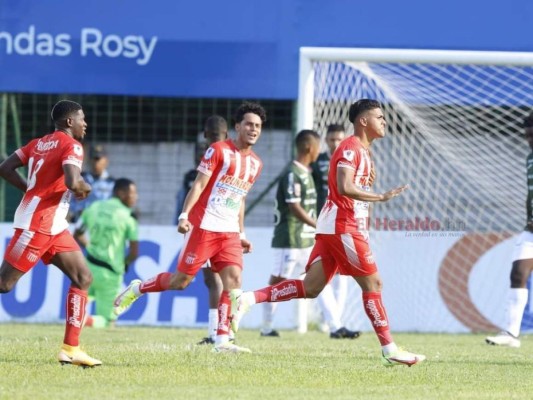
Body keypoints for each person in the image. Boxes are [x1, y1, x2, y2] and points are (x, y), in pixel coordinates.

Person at [230, 99, 426, 367]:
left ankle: (247, 298)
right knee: (374, 284)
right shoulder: (350, 147)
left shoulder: (365, 152)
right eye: (379, 117)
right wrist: (379, 196)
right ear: (363, 121)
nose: (384, 121)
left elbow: (352, 190)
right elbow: (344, 187)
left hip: (340, 225)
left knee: (311, 288)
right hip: (342, 225)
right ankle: (389, 349)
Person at [113, 102, 267, 353]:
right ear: (237, 127)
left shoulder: (256, 164)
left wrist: (241, 233)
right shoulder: (218, 150)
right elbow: (197, 185)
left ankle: (222, 341)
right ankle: (138, 288)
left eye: (258, 126)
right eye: (249, 124)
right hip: (204, 226)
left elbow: (240, 198)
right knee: (181, 281)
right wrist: (184, 215)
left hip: (228, 232)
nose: (253, 129)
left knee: (234, 281)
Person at [0, 100, 101, 367]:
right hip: (38, 225)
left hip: (54, 226)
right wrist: (85, 186)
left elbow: (5, 168)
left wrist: (29, 190)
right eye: (82, 119)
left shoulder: (37, 143)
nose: (85, 124)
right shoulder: (72, 146)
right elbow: (71, 180)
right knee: (4, 284)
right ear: (70, 122)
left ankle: (71, 349)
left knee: (83, 277)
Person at [261, 129, 360, 340]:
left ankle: (336, 327)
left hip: (306, 239)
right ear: (309, 147)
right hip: (289, 238)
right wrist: (319, 224)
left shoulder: (307, 172)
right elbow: (294, 206)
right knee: (278, 282)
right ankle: (265, 325)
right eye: (317, 147)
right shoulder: (292, 173)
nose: (319, 152)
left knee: (319, 279)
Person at [175, 115, 230, 345]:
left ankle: (215, 332)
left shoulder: (209, 161)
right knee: (222, 278)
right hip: (225, 225)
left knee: (206, 279)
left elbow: (194, 191)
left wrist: (183, 216)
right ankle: (223, 330)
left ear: (205, 135)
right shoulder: (233, 161)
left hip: (204, 226)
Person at [486, 111, 533, 348]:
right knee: (518, 273)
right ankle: (511, 334)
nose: (529, 141)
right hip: (531, 230)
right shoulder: (530, 158)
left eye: (532, 136)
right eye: (527, 136)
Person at [311, 123, 359, 338]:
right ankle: (334, 322)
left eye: (339, 140)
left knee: (343, 275)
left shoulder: (351, 160)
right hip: (322, 222)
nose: (335, 144)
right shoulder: (317, 162)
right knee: (320, 271)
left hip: (344, 221)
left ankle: (335, 322)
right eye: (331, 140)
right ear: (326, 141)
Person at [74, 178, 139, 329]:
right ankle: (86, 321)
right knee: (108, 321)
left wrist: (89, 246)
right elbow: (134, 252)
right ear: (120, 193)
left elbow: (77, 233)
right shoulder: (128, 217)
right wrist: (125, 263)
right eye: (132, 193)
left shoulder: (94, 207)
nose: (135, 197)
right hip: (110, 274)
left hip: (87, 266)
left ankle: (78, 321)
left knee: (78, 305)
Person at [68, 144, 115, 222]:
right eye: (92, 159)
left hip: (101, 223)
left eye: (98, 159)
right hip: (78, 221)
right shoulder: (79, 179)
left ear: (106, 161)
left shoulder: (112, 183)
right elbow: (71, 201)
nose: (95, 162)